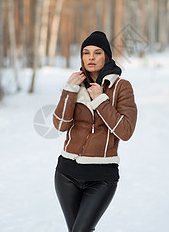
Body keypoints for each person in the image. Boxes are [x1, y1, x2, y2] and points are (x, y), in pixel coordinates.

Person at [53, 31, 137, 232]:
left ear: (106, 56)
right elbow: (61, 125)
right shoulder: (75, 85)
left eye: (97, 53)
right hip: (66, 174)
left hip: (102, 176)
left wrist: (100, 100)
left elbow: (125, 131)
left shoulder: (121, 87)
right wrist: (68, 90)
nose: (91, 57)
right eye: (86, 52)